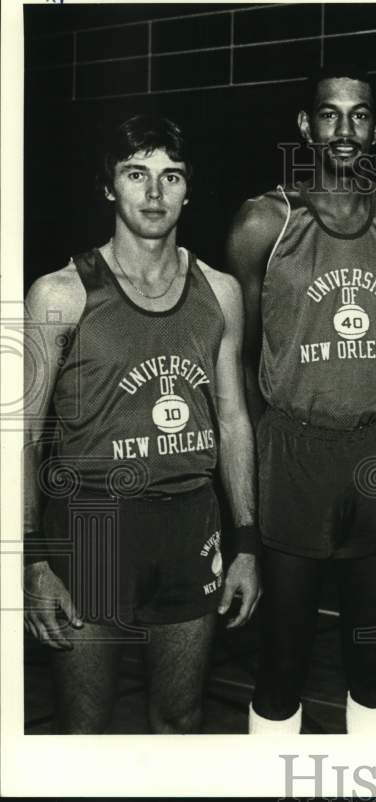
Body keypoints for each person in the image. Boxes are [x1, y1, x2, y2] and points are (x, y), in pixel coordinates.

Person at [22, 114, 260, 733]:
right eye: (137, 174)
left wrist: (247, 543)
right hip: (94, 521)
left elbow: (233, 420)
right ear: (110, 187)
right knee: (86, 728)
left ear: (188, 189)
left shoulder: (221, 290)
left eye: (170, 176)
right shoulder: (60, 294)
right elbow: (19, 437)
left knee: (179, 720)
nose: (154, 194)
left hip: (189, 520)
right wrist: (32, 559)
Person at [229, 66, 376, 734]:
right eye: (329, 114)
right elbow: (241, 354)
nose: (344, 129)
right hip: (293, 453)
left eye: (358, 115)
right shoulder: (265, 221)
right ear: (306, 126)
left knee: (374, 658)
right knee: (283, 659)